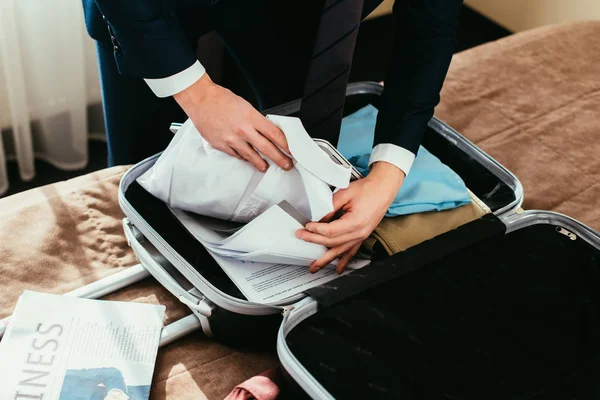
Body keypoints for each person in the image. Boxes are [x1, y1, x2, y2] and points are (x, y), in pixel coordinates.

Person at [82, 0, 463, 273]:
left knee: (292, 138)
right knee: (140, 176)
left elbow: (430, 27)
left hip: (303, 11)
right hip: (147, 11)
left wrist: (386, 177)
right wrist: (196, 93)